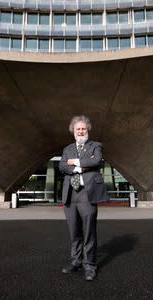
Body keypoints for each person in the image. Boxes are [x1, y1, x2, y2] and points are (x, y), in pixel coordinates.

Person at [59, 115, 109, 281]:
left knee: (89, 231)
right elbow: (62, 166)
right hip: (70, 194)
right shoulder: (67, 149)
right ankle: (76, 260)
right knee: (74, 231)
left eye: (83, 128)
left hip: (87, 194)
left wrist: (75, 162)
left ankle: (90, 265)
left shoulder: (95, 146)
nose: (80, 131)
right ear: (73, 131)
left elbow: (96, 162)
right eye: (77, 129)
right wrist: (79, 165)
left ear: (87, 130)